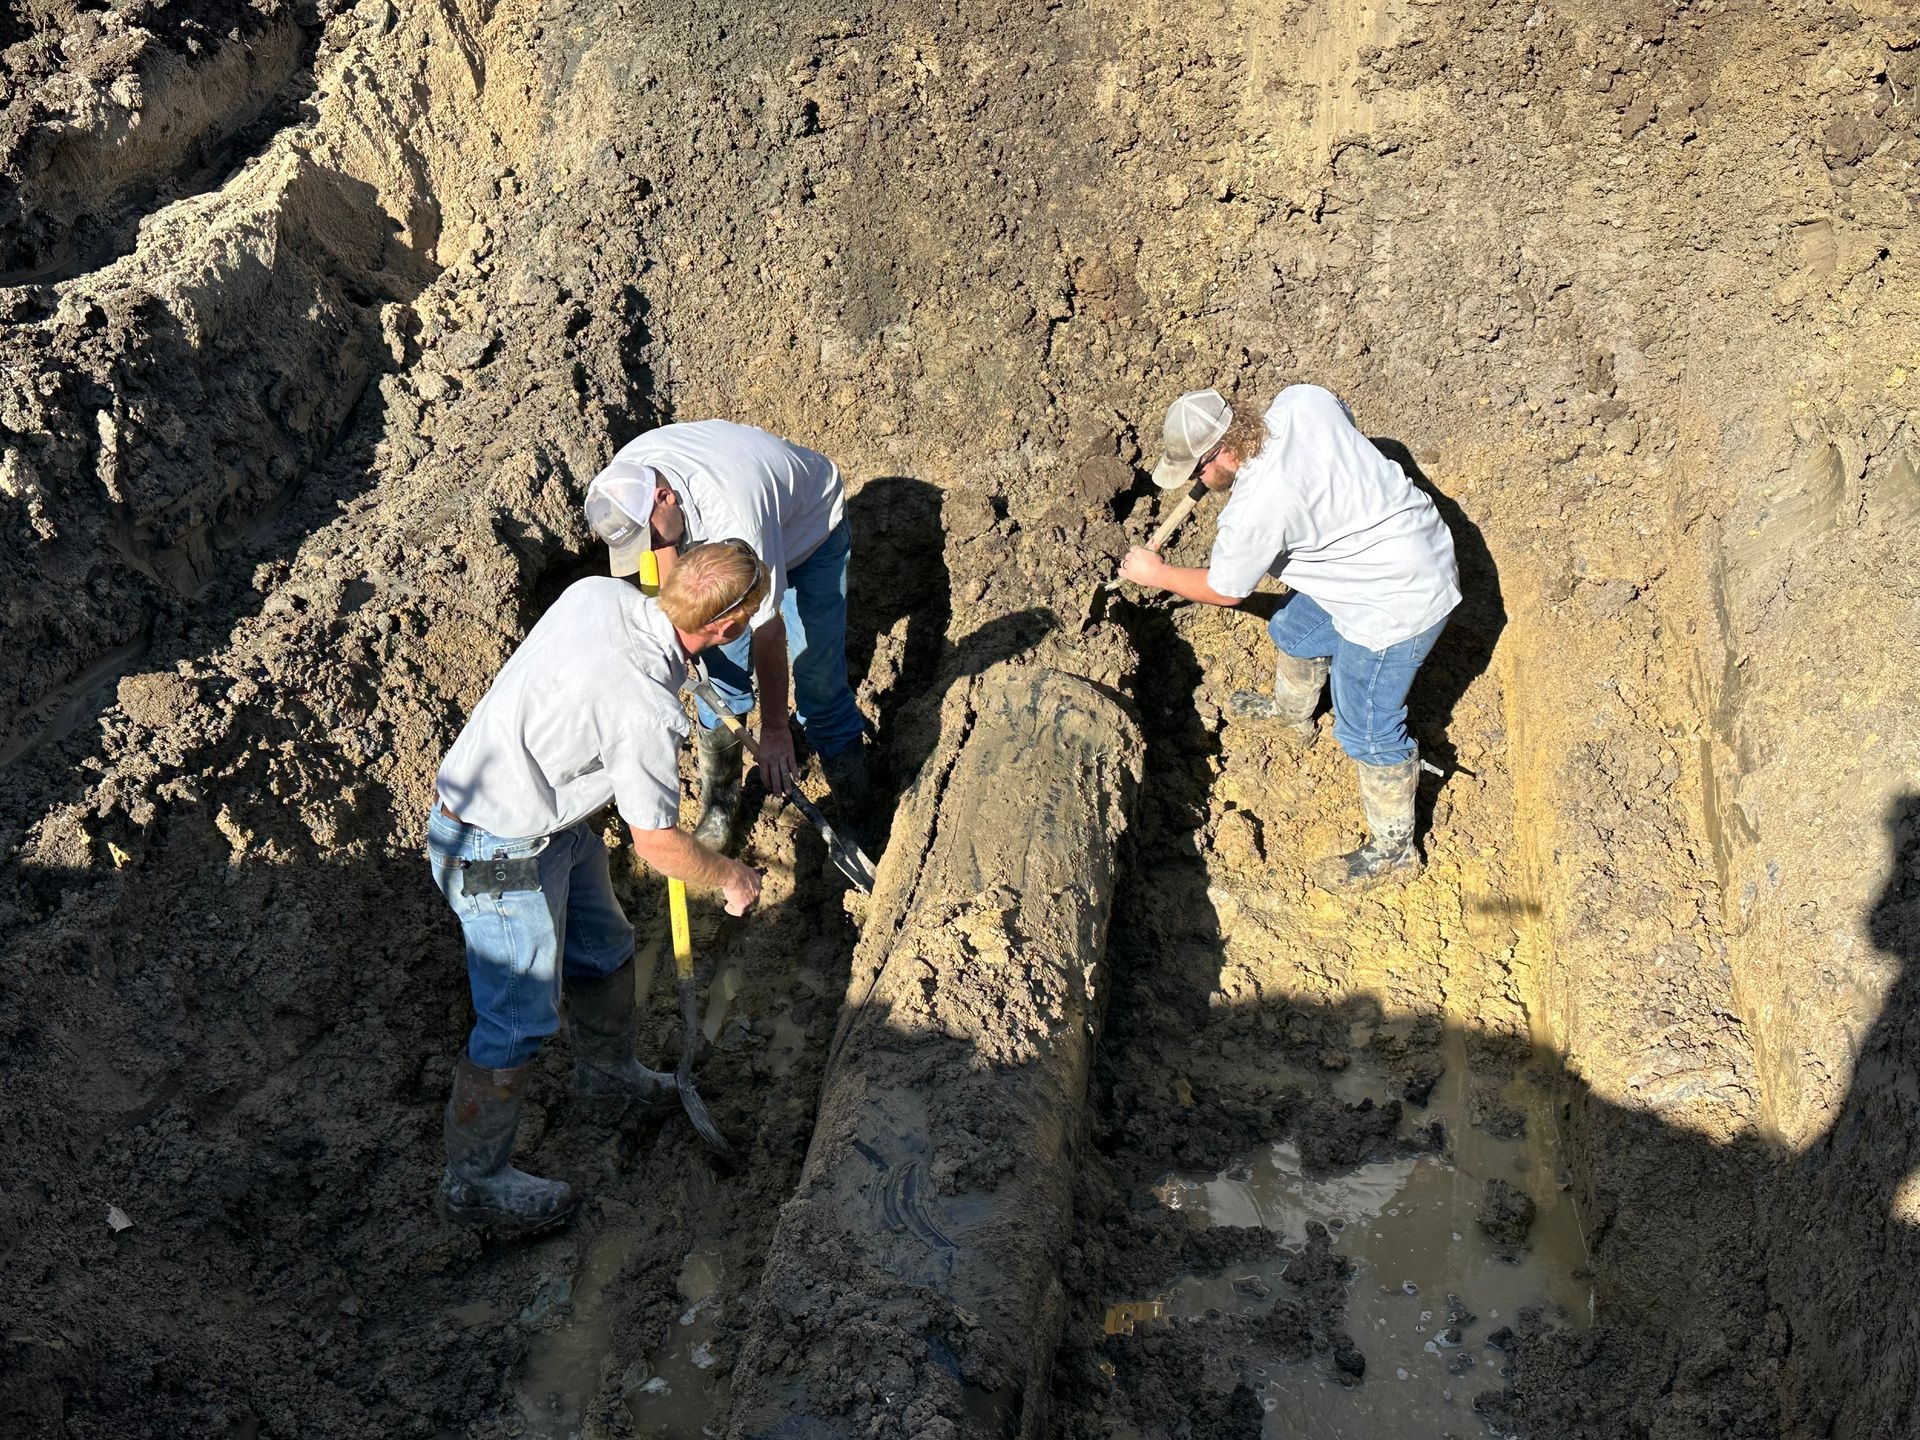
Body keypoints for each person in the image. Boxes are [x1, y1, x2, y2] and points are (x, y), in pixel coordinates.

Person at [427, 540, 769, 1233]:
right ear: (727, 625)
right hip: (493, 850)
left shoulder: (598, 594)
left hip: (546, 822)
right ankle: (472, 1183)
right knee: (518, 1018)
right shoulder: (643, 707)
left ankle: (609, 1077)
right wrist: (732, 876)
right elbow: (657, 844)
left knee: (605, 945)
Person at [1119, 384, 1461, 892]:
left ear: (1221, 454)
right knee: (1293, 630)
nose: (1195, 483)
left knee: (1368, 729)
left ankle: (1394, 852)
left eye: (1195, 472)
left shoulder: (1255, 507)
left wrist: (1157, 574)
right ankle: (1291, 715)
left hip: (1397, 602)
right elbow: (1342, 423)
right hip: (1400, 548)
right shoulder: (1302, 401)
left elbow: (1225, 590)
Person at [583, 420, 873, 849]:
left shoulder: (734, 515)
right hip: (728, 540)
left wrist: (775, 729)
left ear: (665, 497)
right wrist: (675, 639)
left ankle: (861, 818)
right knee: (719, 680)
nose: (652, 545)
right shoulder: (622, 484)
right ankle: (719, 806)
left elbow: (767, 630)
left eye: (652, 535)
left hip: (810, 538)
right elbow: (664, 556)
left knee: (818, 682)